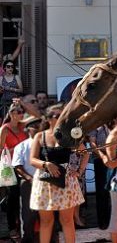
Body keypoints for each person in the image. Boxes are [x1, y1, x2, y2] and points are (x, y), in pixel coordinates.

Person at [30, 104, 87, 243]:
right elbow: (32, 159)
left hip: (66, 181)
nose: (61, 118)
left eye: (62, 115)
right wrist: (46, 164)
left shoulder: (69, 136)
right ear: (49, 119)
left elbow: (85, 153)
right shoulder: (40, 136)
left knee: (67, 220)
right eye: (57, 116)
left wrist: (79, 171)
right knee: (46, 221)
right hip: (45, 181)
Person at [0, 101, 28, 238]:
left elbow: (37, 116)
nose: (22, 114)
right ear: (11, 114)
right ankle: (12, 227)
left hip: (23, 165)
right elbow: (0, 150)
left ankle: (21, 225)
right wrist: (14, 149)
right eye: (19, 112)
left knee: (23, 196)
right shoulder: (5, 129)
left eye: (22, 112)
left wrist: (22, 103)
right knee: (12, 198)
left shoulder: (23, 126)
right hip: (10, 167)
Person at [12, 114, 42, 243]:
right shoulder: (21, 146)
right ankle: (27, 238)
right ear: (28, 129)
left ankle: (51, 237)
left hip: (46, 182)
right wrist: (29, 178)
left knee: (48, 212)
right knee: (28, 214)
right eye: (34, 126)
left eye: (38, 125)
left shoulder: (45, 143)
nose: (37, 128)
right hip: (28, 182)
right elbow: (17, 166)